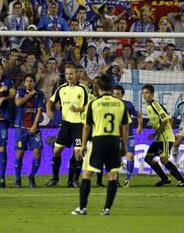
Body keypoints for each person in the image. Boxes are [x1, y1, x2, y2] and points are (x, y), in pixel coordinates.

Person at [71, 75, 130, 216]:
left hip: (98, 140)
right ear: (111, 87)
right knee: (112, 175)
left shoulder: (94, 104)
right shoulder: (120, 104)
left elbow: (86, 126)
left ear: (98, 87)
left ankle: (82, 208)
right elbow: (125, 126)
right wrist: (125, 146)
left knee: (87, 173)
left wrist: (83, 145)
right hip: (114, 141)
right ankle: (107, 209)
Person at [45, 65, 89, 187]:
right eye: (67, 74)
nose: (69, 76)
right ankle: (55, 178)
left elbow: (89, 106)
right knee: (56, 151)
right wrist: (49, 110)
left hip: (78, 125)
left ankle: (75, 180)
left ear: (76, 75)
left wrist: (78, 109)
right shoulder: (61, 89)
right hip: (65, 125)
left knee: (78, 154)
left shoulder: (82, 89)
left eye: (71, 74)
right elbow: (50, 101)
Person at [142, 84, 184, 187]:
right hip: (159, 137)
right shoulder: (149, 106)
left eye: (147, 93)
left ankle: (182, 181)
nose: (144, 95)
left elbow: (165, 120)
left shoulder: (155, 104)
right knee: (148, 158)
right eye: (143, 93)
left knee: (164, 159)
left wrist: (155, 133)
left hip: (165, 137)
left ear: (152, 94)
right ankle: (164, 178)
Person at [14, 74, 45, 188]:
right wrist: (30, 95)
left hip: (34, 129)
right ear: (24, 82)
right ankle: (18, 179)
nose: (29, 83)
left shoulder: (40, 94)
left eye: (31, 81)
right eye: (27, 81)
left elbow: (39, 111)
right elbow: (18, 103)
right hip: (21, 128)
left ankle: (31, 176)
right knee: (20, 153)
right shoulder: (20, 91)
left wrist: (34, 126)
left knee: (37, 153)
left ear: (34, 82)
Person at [112, 85, 143, 187]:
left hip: (128, 135)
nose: (116, 96)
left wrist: (139, 126)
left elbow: (139, 115)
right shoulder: (109, 105)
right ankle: (115, 180)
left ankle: (128, 179)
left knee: (130, 155)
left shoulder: (128, 105)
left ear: (122, 94)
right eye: (114, 94)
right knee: (115, 158)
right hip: (115, 136)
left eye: (118, 94)